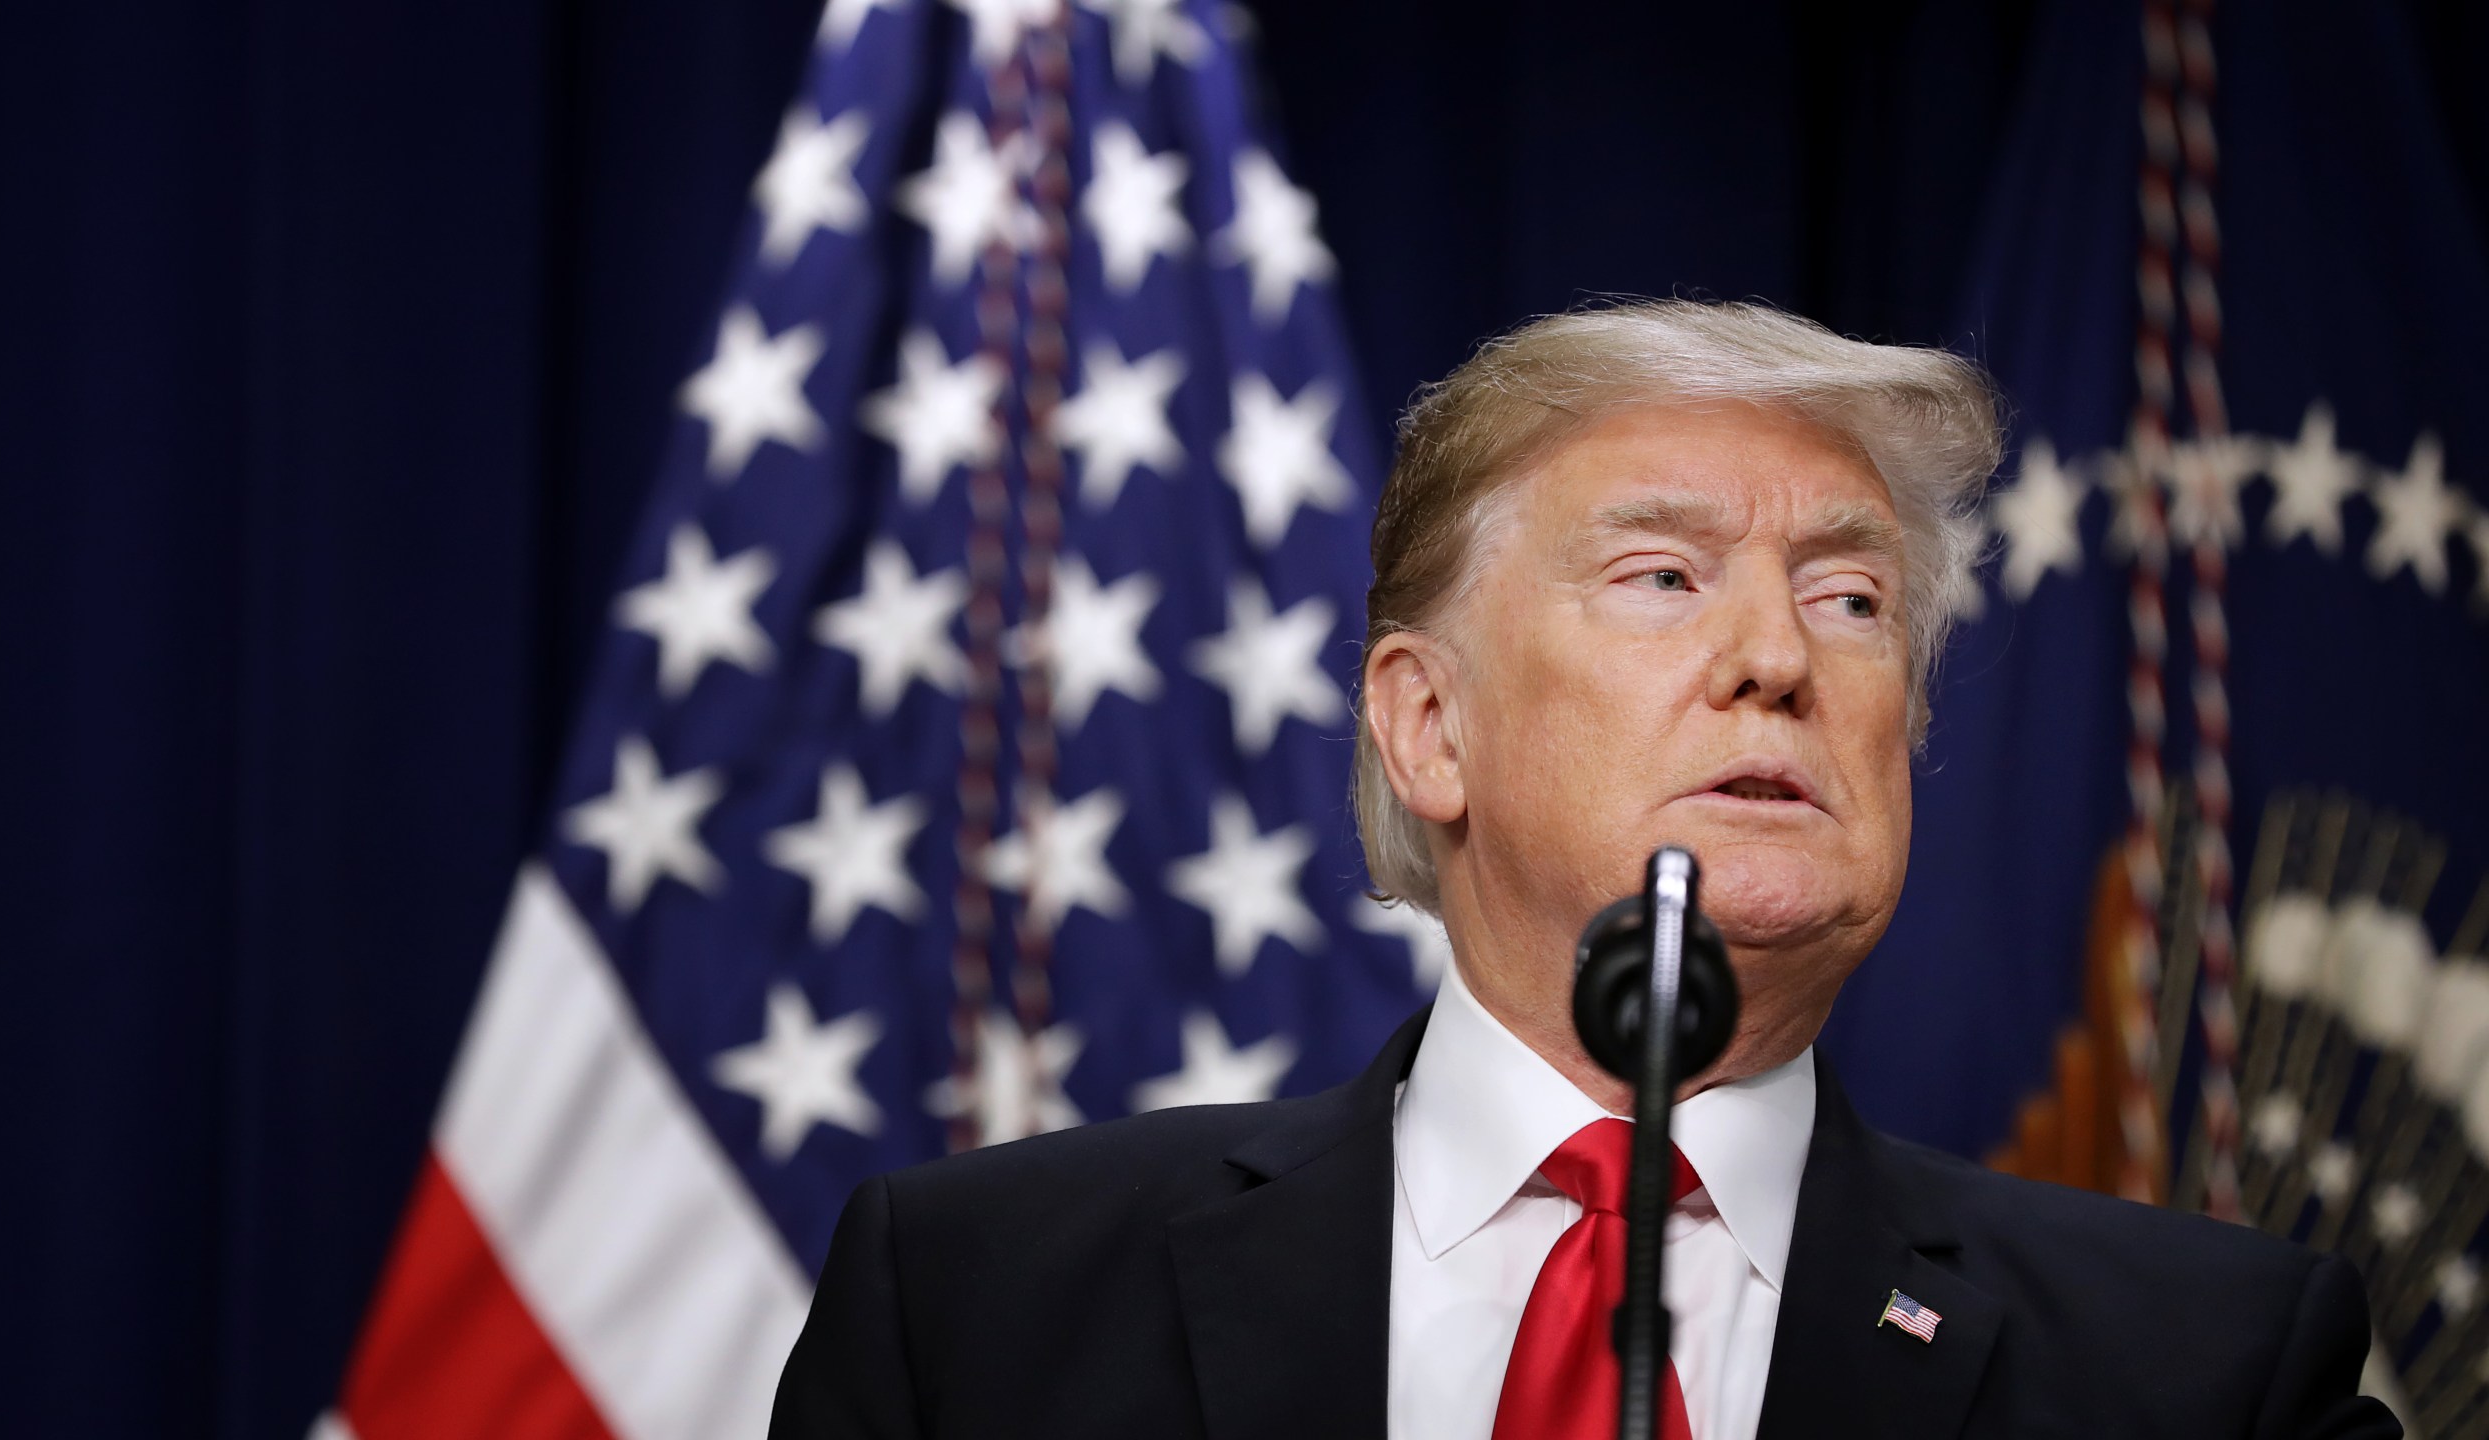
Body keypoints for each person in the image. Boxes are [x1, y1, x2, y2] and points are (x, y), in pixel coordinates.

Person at [770, 301, 2398, 1439]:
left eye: (1852, 599)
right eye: (1664, 573)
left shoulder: (2210, 1373)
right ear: (1427, 726)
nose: (1777, 655)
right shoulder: (983, 1312)